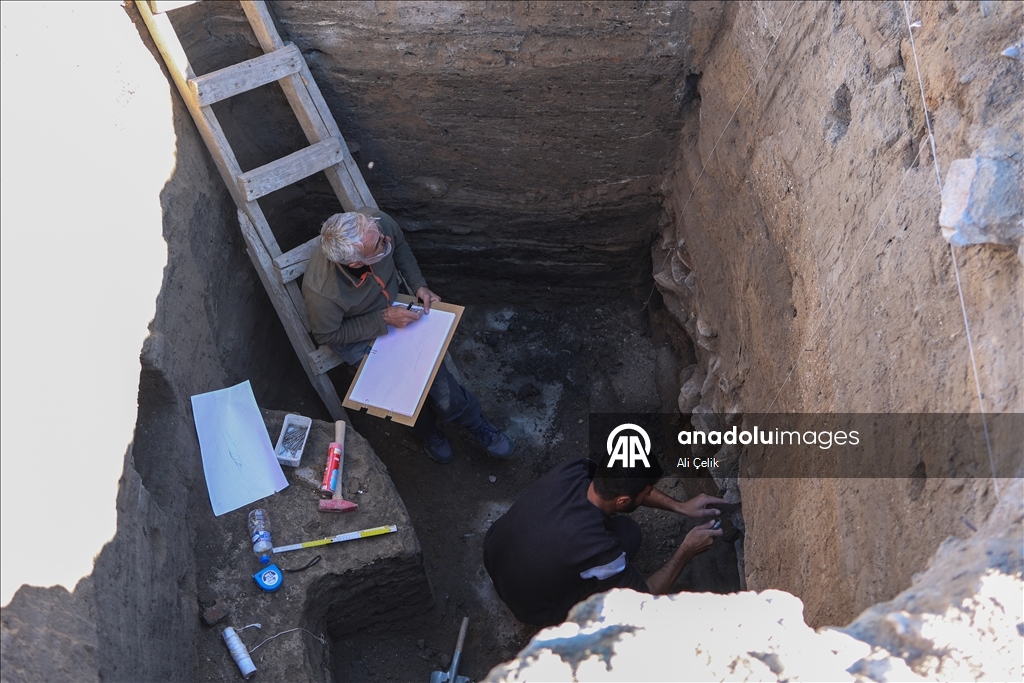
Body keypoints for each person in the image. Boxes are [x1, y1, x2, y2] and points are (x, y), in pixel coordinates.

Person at [302, 207, 514, 463]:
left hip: (395, 308)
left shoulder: (374, 224)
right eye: (379, 243)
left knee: (436, 378)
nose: (385, 239)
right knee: (400, 393)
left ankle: (474, 422)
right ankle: (428, 433)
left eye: (379, 232)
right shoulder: (323, 292)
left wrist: (418, 285)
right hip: (357, 335)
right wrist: (383, 318)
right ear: (357, 263)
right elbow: (329, 334)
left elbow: (399, 245)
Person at [483, 455, 726, 625]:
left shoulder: (576, 469)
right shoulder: (598, 548)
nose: (649, 494)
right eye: (647, 493)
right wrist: (686, 550)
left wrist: (681, 507)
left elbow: (628, 490)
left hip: (494, 552)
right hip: (532, 609)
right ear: (622, 501)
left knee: (626, 531)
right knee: (629, 538)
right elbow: (644, 599)